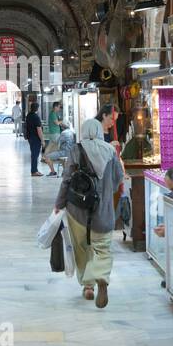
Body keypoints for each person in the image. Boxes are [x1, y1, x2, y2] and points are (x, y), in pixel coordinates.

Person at [54, 117, 126, 308]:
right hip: (103, 212)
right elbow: (118, 179)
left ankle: (87, 286)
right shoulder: (110, 151)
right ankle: (101, 277)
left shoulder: (76, 150)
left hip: (78, 210)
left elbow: (67, 180)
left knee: (81, 248)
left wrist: (59, 203)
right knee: (102, 248)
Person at [24, 98, 44, 177]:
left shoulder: (28, 116)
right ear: (37, 109)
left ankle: (35, 170)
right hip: (36, 138)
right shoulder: (36, 117)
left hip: (30, 137)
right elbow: (39, 130)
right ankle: (34, 171)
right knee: (35, 155)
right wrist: (42, 140)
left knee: (34, 154)